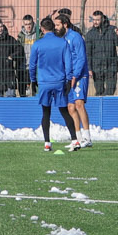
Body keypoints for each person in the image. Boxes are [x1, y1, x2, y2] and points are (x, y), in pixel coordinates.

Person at [30, 15, 79, 151]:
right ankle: (74, 140)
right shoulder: (63, 43)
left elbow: (32, 64)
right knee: (64, 111)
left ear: (42, 29)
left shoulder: (38, 44)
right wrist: (69, 79)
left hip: (45, 82)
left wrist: (33, 80)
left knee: (46, 112)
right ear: (53, 28)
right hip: (59, 82)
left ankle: (47, 143)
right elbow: (68, 63)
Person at [61, 10, 93, 147]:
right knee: (71, 107)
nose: (55, 28)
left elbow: (81, 58)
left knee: (79, 104)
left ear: (65, 24)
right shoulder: (61, 39)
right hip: (68, 76)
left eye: (57, 25)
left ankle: (88, 138)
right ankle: (77, 139)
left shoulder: (76, 37)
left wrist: (75, 75)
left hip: (79, 76)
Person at [87, 13, 118, 97]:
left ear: (102, 20)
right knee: (99, 92)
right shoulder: (90, 34)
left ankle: (108, 108)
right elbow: (88, 53)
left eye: (97, 20)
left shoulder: (112, 30)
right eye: (94, 20)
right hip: (97, 67)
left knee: (110, 91)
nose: (95, 22)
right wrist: (89, 69)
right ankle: (99, 109)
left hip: (111, 66)